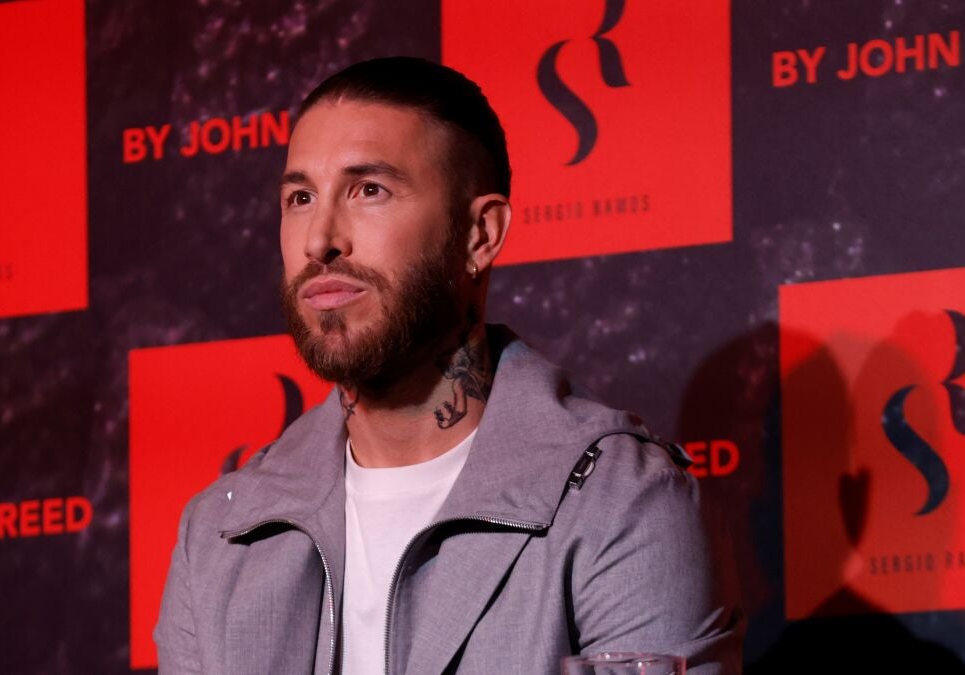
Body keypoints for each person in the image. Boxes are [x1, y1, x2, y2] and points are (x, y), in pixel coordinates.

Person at [155, 56, 744, 674]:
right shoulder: (221, 533)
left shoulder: (622, 506)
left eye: (369, 190)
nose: (318, 240)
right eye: (300, 198)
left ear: (479, 235)